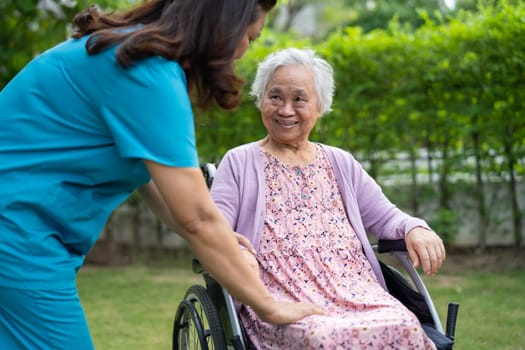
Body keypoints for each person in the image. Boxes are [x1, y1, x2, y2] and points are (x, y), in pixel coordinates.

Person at [0, 2, 324, 349]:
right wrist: (267, 305)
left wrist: (224, 237)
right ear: (223, 25)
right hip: (16, 236)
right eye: (248, 35)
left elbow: (154, 180)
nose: (245, 49)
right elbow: (196, 217)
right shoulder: (146, 72)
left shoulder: (130, 54)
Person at [210, 48, 446, 349]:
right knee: (320, 338)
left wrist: (415, 228)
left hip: (358, 292)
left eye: (299, 99)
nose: (285, 110)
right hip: (280, 296)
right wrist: (235, 249)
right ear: (261, 100)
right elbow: (215, 230)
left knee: (404, 325)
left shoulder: (340, 162)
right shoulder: (239, 161)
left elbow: (386, 217)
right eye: (275, 97)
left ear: (320, 106)